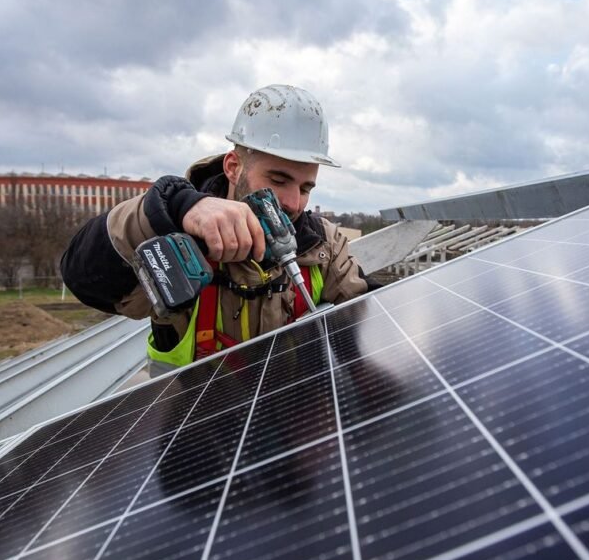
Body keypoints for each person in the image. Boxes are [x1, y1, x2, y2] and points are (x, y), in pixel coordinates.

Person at [61, 84, 376, 375]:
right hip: (190, 423)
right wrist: (174, 209)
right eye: (278, 180)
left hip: (293, 422)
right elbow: (85, 278)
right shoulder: (178, 241)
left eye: (306, 187)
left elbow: (371, 317)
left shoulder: (321, 244)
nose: (294, 203)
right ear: (233, 167)